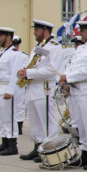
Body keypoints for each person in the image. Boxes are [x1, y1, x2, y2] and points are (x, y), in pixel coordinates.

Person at [57, 21, 87, 169]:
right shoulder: (81, 48)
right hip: (76, 89)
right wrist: (66, 80)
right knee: (81, 125)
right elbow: (72, 67)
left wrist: (68, 77)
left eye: (82, 31)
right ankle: (85, 154)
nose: (80, 34)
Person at [17, 19, 65, 161]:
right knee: (35, 121)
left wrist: (29, 73)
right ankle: (38, 147)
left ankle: (50, 149)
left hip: (44, 89)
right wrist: (23, 71)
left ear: (45, 31)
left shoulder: (55, 47)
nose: (34, 33)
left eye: (37, 30)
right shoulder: (36, 48)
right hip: (32, 89)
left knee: (47, 122)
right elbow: (31, 65)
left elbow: (52, 70)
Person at [0, 27, 27, 155]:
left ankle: (12, 145)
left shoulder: (15, 54)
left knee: (9, 118)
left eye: (0, 35)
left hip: (6, 88)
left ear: (8, 37)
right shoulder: (1, 52)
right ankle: (4, 141)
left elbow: (15, 74)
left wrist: (10, 91)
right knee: (1, 118)